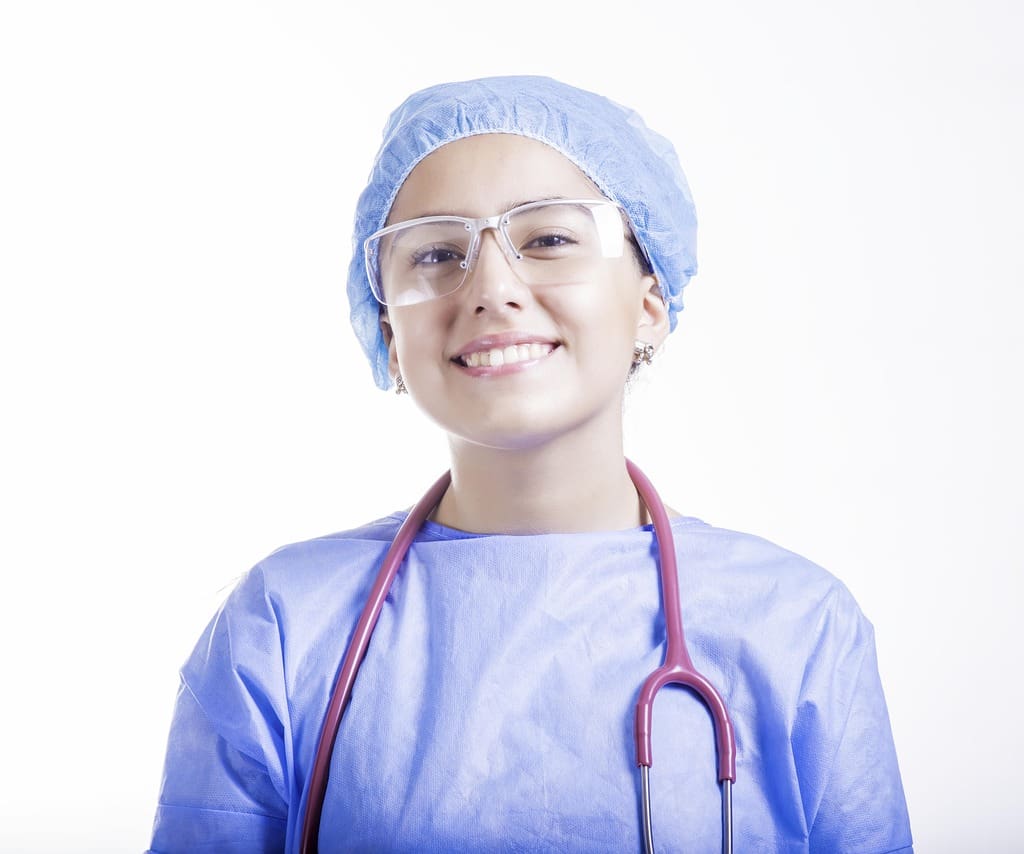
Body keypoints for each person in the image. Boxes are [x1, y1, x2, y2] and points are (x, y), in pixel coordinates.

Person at [148, 76, 914, 853]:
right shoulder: (282, 626)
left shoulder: (798, 623)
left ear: (649, 303)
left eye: (548, 240)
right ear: (388, 334)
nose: (492, 289)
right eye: (439, 253)